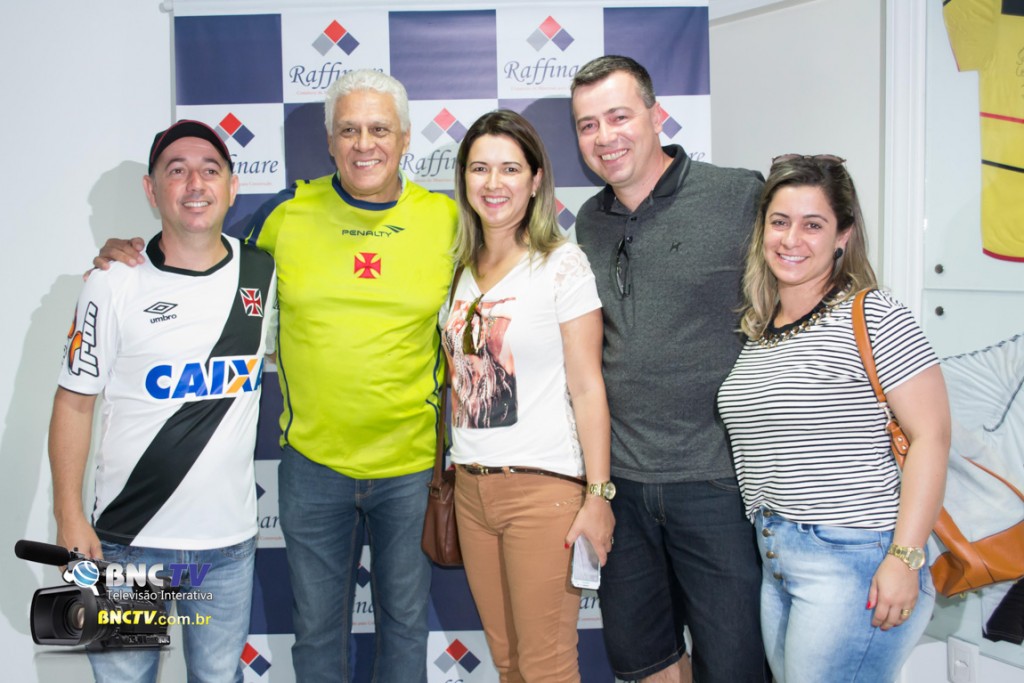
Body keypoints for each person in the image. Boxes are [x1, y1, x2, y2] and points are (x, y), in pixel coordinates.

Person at [94, 70, 457, 682]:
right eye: (348, 130)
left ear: (404, 138)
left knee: (404, 628)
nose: (364, 144)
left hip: (412, 468)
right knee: (316, 634)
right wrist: (127, 257)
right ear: (329, 141)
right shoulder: (286, 216)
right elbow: (199, 257)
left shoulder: (446, 219)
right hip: (311, 468)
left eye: (379, 129)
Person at [50, 119, 277, 682]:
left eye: (210, 170)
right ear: (152, 191)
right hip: (129, 544)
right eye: (177, 171)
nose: (195, 184)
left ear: (232, 187)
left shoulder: (262, 270)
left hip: (226, 547)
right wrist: (68, 514)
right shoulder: (112, 281)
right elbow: (74, 401)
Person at [570, 55, 768, 682]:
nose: (605, 137)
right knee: (644, 660)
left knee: (734, 666)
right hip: (623, 486)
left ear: (657, 116)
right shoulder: (588, 223)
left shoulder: (739, 196)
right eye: (587, 125)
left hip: (717, 483)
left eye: (619, 116)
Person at [717, 154, 950, 682]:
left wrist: (905, 558)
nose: (791, 239)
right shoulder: (761, 331)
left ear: (842, 235)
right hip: (777, 559)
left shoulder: (874, 314)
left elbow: (931, 437)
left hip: (856, 561)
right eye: (779, 221)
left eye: (812, 224)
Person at [440, 109, 615, 682]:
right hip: (471, 491)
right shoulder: (460, 269)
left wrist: (599, 493)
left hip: (543, 492)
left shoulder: (562, 265)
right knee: (509, 662)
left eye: (510, 169)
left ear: (536, 180)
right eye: (480, 168)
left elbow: (588, 386)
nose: (494, 183)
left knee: (546, 666)